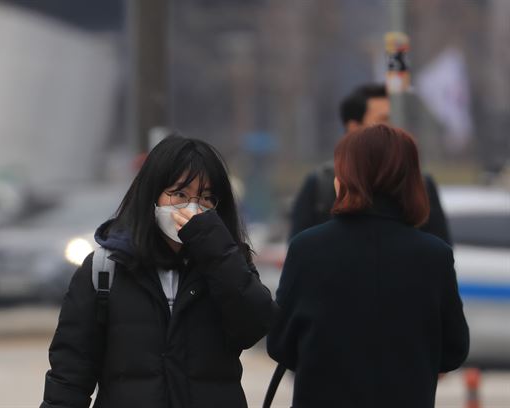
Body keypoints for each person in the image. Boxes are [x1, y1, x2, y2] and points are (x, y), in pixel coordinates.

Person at [40, 135, 278, 408]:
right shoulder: (105, 270)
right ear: (153, 196)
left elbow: (256, 327)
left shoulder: (228, 264)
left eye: (206, 198)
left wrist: (216, 251)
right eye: (179, 194)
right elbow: (70, 375)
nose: (192, 208)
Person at [267, 124, 469, 408]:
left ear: (347, 177)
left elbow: (280, 345)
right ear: (411, 180)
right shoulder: (434, 255)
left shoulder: (307, 248)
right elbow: (454, 350)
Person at [289, 83, 451, 244]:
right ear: (354, 127)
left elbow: (440, 251)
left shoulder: (420, 184)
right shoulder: (320, 185)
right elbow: (299, 254)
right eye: (383, 120)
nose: (392, 128)